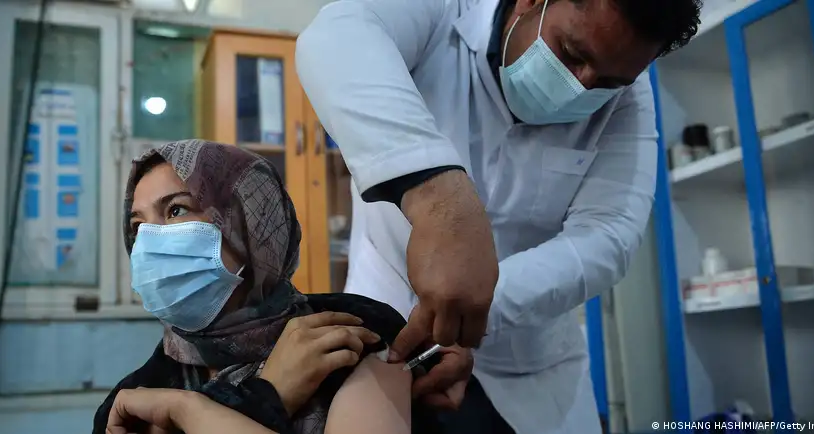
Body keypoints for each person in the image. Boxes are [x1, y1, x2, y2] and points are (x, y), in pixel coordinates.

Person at [295, 0, 702, 433]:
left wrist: (476, 305)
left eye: (607, 82)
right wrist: (440, 199)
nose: (583, 88)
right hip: (393, 323)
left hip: (528, 365)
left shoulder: (628, 99)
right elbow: (337, 37)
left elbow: (608, 237)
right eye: (571, 53)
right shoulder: (444, 10)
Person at [93, 139, 445, 434]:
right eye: (138, 226)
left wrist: (188, 411)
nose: (150, 240)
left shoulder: (347, 336)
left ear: (253, 224)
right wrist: (265, 397)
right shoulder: (130, 403)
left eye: (176, 211)